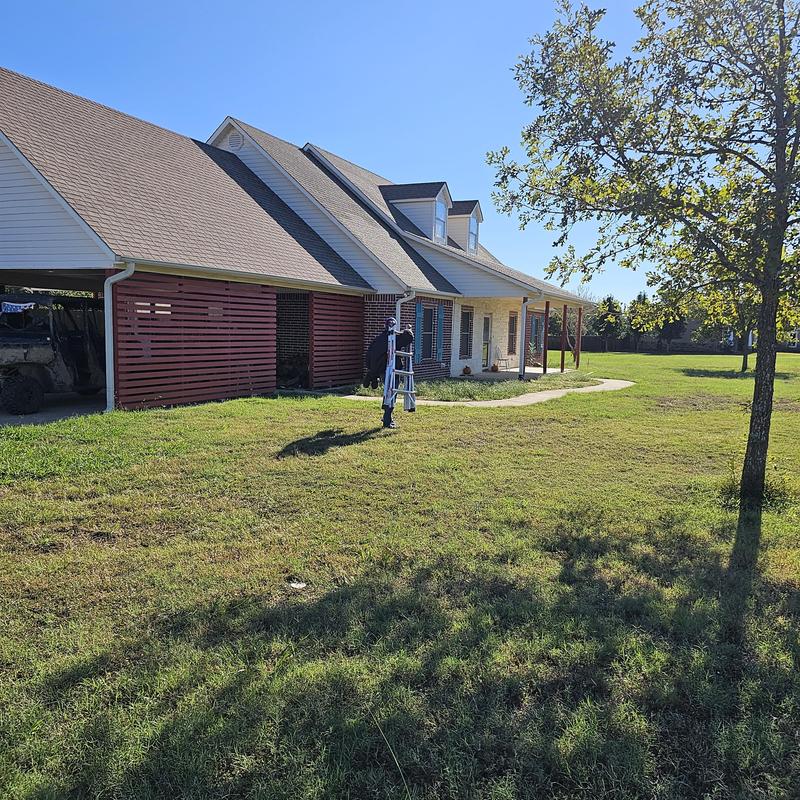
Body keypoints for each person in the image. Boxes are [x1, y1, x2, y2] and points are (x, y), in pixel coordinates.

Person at [363, 317, 414, 428]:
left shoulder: (378, 339)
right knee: (391, 394)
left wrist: (371, 371)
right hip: (391, 369)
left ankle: (371, 377)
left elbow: (368, 356)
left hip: (379, 370)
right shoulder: (395, 338)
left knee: (388, 393)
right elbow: (409, 337)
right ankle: (387, 420)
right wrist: (408, 330)